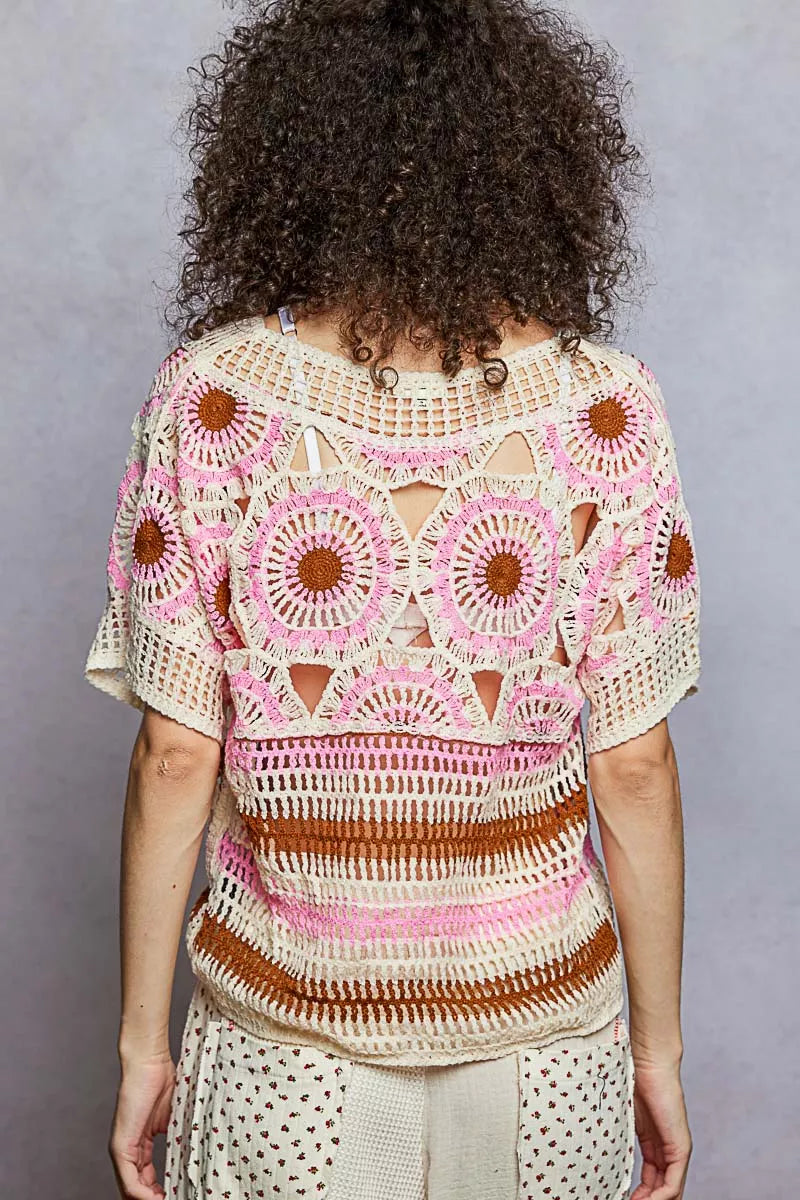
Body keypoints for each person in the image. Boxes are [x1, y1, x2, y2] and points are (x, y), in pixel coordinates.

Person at [83, 2, 702, 1198]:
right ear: (531, 166)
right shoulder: (605, 410)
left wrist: (141, 1050)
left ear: (288, 158)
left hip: (284, 1053)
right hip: (541, 1051)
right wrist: (657, 1052)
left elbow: (175, 753)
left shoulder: (210, 400)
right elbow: (632, 766)